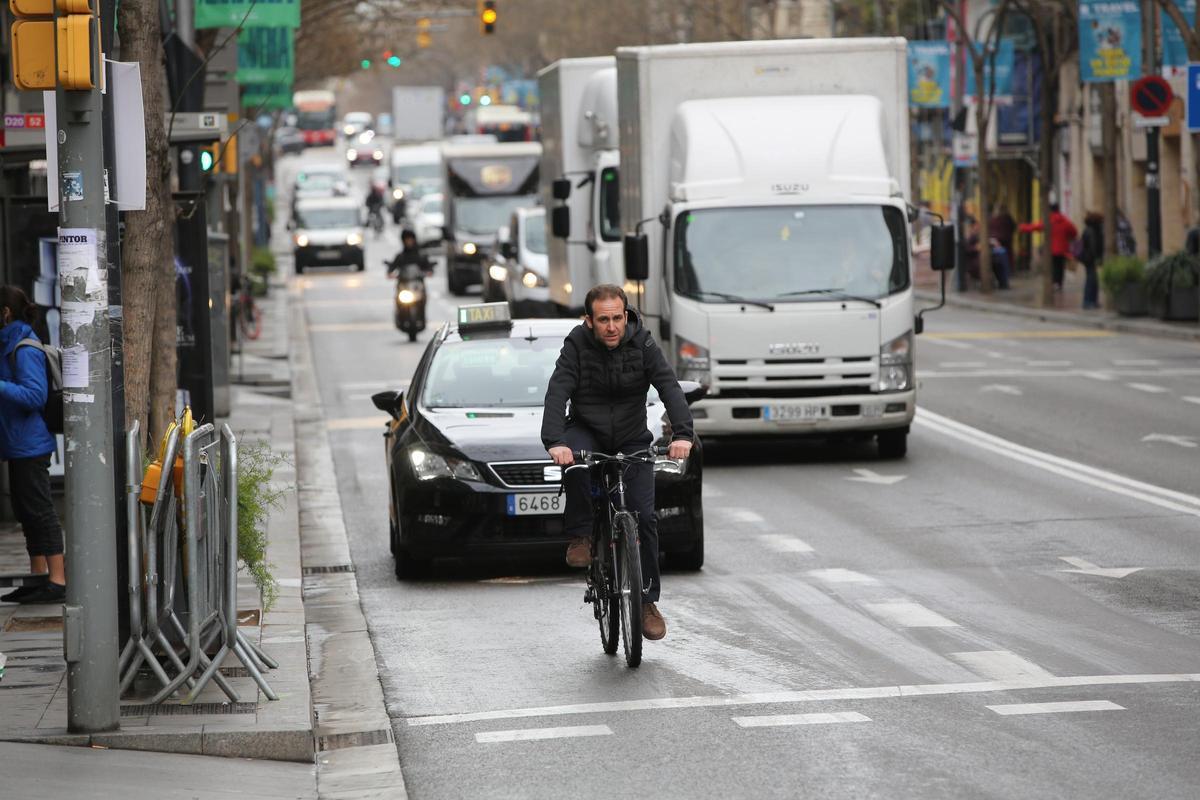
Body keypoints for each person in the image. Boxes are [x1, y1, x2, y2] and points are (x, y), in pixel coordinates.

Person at [541, 285, 694, 641]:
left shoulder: (643, 343)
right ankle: (580, 536)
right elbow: (557, 392)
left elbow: (669, 386)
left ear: (626, 316)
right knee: (576, 466)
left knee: (644, 516)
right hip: (586, 432)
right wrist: (556, 442)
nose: (612, 326)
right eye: (603, 319)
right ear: (589, 321)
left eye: (617, 318)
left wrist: (683, 434)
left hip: (630, 437)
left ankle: (646, 602)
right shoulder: (576, 345)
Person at [0, 287, 65, 605]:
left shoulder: (25, 348)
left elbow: (34, 396)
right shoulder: (8, 344)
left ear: (5, 313)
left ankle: (57, 578)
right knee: (26, 512)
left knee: (40, 511)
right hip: (16, 443)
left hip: (30, 444)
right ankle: (38, 576)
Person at [1018, 203, 1079, 291]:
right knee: (1060, 266)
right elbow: (1074, 232)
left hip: (1051, 249)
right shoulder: (1065, 221)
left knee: (1052, 266)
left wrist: (1023, 227)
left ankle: (1053, 282)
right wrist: (1067, 237)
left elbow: (1036, 227)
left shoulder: (1049, 220)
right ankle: (1059, 283)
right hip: (1062, 249)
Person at [1079, 211, 1104, 310]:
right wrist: (1097, 258)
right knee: (1091, 280)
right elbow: (1093, 246)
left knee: (1093, 279)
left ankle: (1092, 301)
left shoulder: (1089, 229)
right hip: (1090, 259)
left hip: (1088, 258)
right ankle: (1088, 301)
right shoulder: (1092, 231)